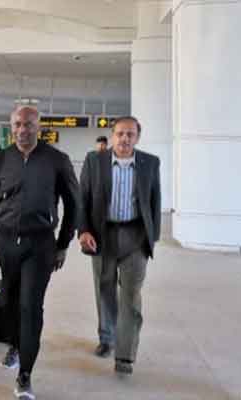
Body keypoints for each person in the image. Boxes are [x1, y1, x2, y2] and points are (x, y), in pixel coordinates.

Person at [0, 106, 79, 399]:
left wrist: (63, 244)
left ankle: (25, 374)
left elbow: (74, 204)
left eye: (29, 124)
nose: (23, 130)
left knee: (30, 306)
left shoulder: (57, 160)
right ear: (11, 127)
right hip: (6, 241)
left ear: (39, 127)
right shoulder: (0, 159)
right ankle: (15, 345)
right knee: (9, 301)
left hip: (40, 243)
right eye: (18, 124)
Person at [78, 116, 161, 375]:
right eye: (120, 133)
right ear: (112, 135)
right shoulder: (94, 161)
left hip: (135, 237)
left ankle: (125, 355)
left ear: (138, 137)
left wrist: (152, 238)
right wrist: (83, 230)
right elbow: (82, 198)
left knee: (131, 297)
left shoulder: (150, 163)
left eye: (130, 134)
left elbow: (155, 201)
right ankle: (107, 338)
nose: (125, 138)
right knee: (104, 290)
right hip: (102, 235)